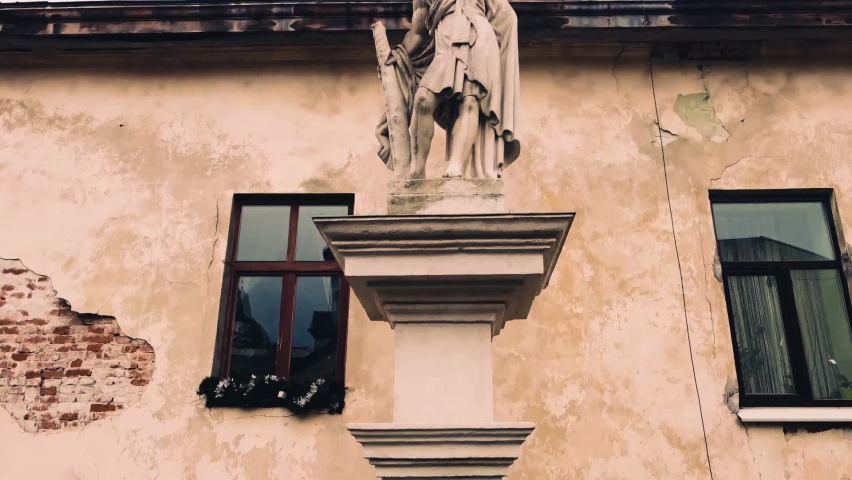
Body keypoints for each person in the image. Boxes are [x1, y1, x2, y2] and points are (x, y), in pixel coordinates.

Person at [380, 0, 521, 179]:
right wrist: (399, 54)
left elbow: (507, 14)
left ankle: (456, 163)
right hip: (445, 48)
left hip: (478, 37)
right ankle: (418, 169)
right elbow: (417, 33)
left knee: (469, 102)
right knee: (423, 101)